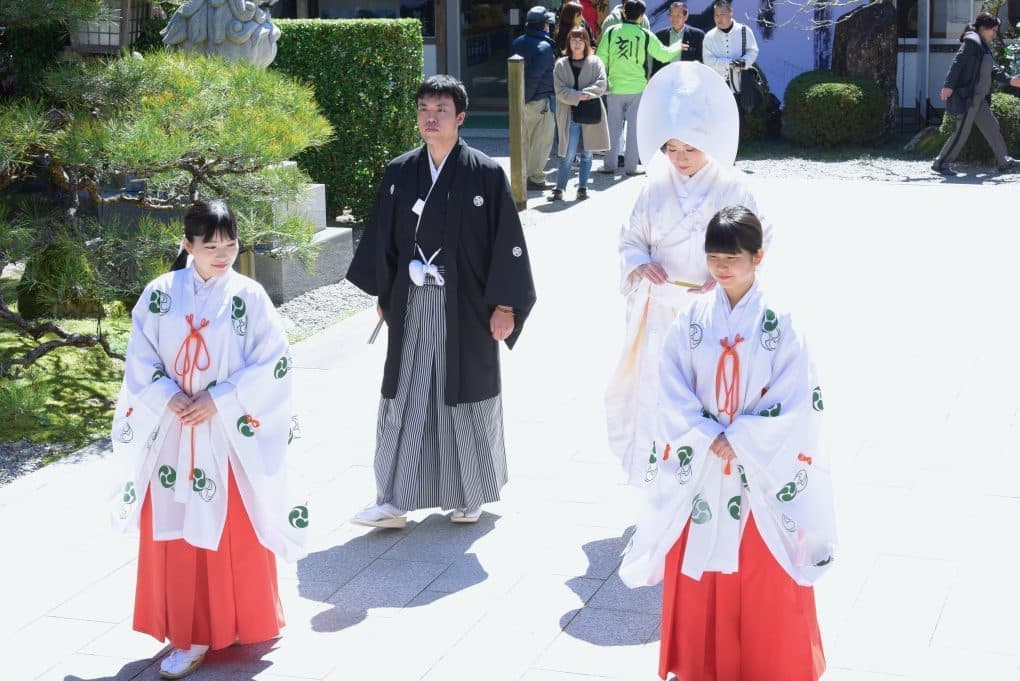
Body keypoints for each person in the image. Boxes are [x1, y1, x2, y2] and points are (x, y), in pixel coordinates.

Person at [619, 205, 837, 681]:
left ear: (758, 257)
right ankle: (702, 666)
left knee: (762, 573)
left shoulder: (782, 322)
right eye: (713, 256)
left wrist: (741, 438)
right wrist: (704, 433)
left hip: (756, 471)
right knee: (704, 562)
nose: (720, 267)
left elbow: (797, 397)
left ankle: (770, 668)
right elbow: (669, 383)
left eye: (732, 257)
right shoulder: (693, 315)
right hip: (702, 464)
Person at [110, 200, 308, 680]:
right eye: (211, 246)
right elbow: (141, 357)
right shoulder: (160, 295)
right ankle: (190, 633)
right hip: (174, 433)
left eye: (230, 244)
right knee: (179, 533)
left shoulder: (249, 297)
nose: (223, 255)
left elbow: (273, 363)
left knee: (233, 530)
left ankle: (239, 622)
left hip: (226, 433)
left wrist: (221, 399)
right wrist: (165, 394)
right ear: (187, 245)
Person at [346, 75, 537, 529]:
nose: (431, 118)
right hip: (412, 301)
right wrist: (384, 293)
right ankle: (393, 498)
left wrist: (505, 306)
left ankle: (469, 494)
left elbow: (506, 242)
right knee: (405, 393)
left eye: (441, 110)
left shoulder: (485, 173)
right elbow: (384, 240)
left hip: (466, 304)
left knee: (464, 393)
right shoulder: (400, 172)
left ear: (460, 118)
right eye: (424, 109)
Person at [605, 61, 769, 487]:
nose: (679, 159)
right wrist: (640, 262)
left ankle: (709, 487)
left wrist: (728, 276)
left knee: (709, 398)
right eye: (672, 150)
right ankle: (659, 485)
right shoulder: (654, 187)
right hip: (660, 312)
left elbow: (758, 237)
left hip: (714, 312)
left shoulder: (733, 188)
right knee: (659, 398)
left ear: (709, 143)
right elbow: (630, 238)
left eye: (690, 150)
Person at [595, 0, 684, 176]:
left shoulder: (612, 32)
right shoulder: (645, 34)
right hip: (638, 88)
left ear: (624, 13)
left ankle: (610, 165)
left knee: (613, 127)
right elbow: (663, 55)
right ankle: (631, 167)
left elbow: (600, 59)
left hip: (614, 88)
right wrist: (677, 46)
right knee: (635, 128)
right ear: (642, 16)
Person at [933, 12, 1020, 175]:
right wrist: (948, 85)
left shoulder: (982, 44)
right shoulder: (972, 41)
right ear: (983, 28)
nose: (994, 34)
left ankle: (1004, 161)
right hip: (969, 98)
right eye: (993, 30)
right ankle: (941, 163)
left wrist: (1010, 80)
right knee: (961, 132)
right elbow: (958, 62)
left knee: (992, 127)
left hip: (979, 99)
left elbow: (991, 69)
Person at [552, 26, 610, 201]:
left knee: (587, 152)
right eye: (573, 40)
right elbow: (560, 91)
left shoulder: (595, 62)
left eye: (580, 40)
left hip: (590, 113)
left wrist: (584, 94)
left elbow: (602, 84)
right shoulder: (561, 64)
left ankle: (582, 188)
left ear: (586, 43)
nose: (576, 44)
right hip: (569, 114)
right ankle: (560, 188)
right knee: (567, 153)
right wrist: (579, 96)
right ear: (568, 42)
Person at [512, 6, 559, 190]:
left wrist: (520, 100)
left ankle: (525, 175)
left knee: (525, 140)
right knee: (541, 141)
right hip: (538, 100)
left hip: (521, 99)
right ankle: (536, 178)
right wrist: (527, 99)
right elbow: (534, 77)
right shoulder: (544, 47)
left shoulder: (518, 42)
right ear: (544, 26)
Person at [703, 0, 759, 98]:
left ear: (730, 13)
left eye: (722, 14)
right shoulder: (709, 36)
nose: (719, 18)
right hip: (717, 89)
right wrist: (729, 63)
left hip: (742, 89)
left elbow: (753, 51)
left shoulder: (744, 31)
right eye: (716, 15)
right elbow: (708, 61)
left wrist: (744, 62)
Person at [651, 1, 704, 77]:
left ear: (685, 16)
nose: (674, 18)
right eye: (671, 15)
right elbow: (655, 63)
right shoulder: (660, 36)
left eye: (678, 15)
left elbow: (701, 62)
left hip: (688, 79)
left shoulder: (698, 35)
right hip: (665, 79)